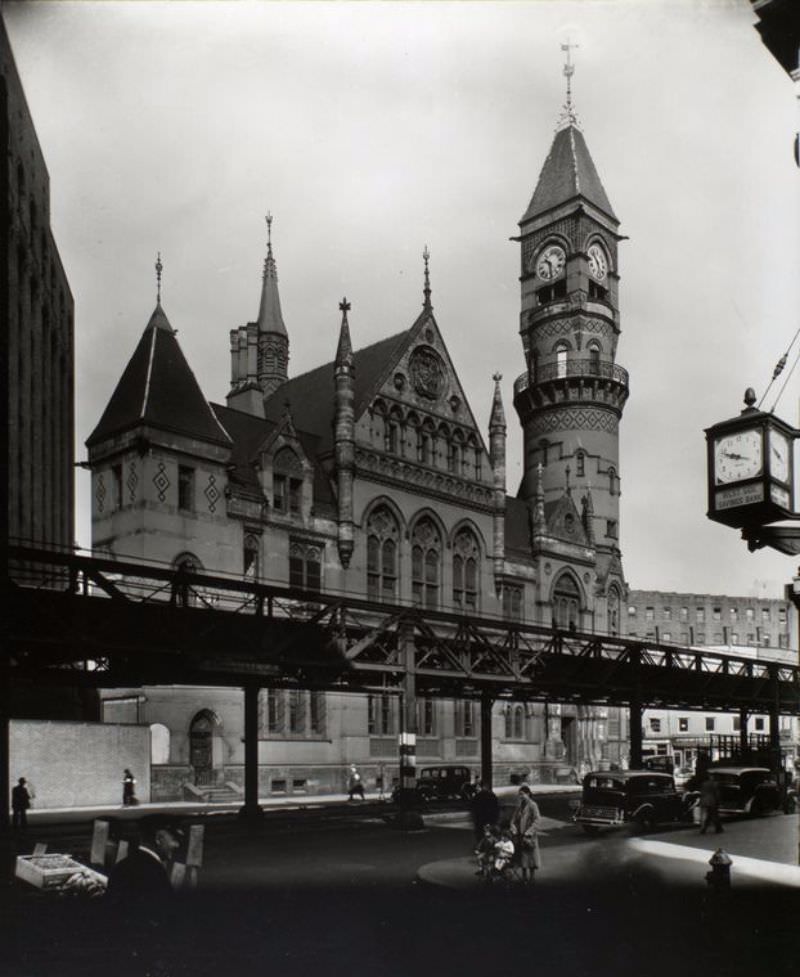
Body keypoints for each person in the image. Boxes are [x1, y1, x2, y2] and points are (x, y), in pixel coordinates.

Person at [107, 816, 179, 906]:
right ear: (159, 839)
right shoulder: (155, 871)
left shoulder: (120, 866)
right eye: (174, 839)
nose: (177, 845)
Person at [509, 784, 542, 884]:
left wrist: (529, 832)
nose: (520, 796)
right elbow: (513, 820)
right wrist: (513, 828)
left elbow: (537, 820)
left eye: (522, 794)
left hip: (529, 836)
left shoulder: (533, 805)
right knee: (522, 857)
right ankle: (524, 877)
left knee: (531, 857)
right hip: (520, 835)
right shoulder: (519, 806)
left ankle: (532, 877)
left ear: (528, 793)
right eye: (519, 795)